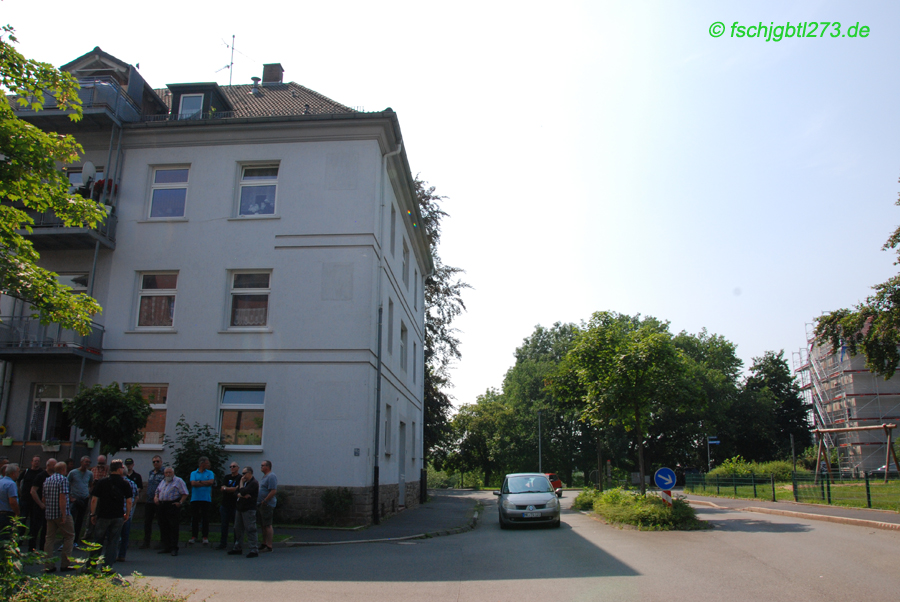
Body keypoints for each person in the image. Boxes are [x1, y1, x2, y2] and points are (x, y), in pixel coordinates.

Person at [89, 459, 132, 566]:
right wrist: (127, 513)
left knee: (98, 541)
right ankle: (107, 567)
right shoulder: (125, 483)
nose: (123, 469)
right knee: (113, 542)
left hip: (103, 515)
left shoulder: (102, 482)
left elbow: (94, 499)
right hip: (117, 516)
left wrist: (93, 514)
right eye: (122, 468)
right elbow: (129, 500)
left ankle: (92, 565)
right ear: (118, 469)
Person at [43, 461, 75, 572]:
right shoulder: (63, 480)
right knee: (69, 536)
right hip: (60, 513)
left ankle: (48, 565)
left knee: (49, 539)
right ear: (63, 470)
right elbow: (62, 498)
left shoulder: (47, 480)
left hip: (49, 513)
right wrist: (64, 514)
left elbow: (44, 498)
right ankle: (65, 563)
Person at [154, 466, 188, 556]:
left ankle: (174, 548)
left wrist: (180, 502)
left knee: (173, 527)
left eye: (170, 472)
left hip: (172, 505)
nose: (168, 474)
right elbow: (157, 491)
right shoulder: (163, 481)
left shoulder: (178, 481)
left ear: (173, 473)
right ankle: (166, 546)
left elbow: (185, 493)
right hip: (162, 505)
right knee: (163, 526)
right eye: (166, 473)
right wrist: (156, 498)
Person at [228, 466, 259, 558]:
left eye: (244, 473)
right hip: (240, 508)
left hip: (248, 509)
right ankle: (237, 547)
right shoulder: (244, 483)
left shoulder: (253, 483)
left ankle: (253, 549)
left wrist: (241, 485)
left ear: (250, 473)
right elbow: (237, 493)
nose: (243, 476)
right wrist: (241, 495)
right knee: (237, 528)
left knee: (250, 529)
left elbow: (243, 491)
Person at [29, 458, 56, 552]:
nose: (55, 467)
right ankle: (31, 548)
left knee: (46, 529)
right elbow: (33, 491)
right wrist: (40, 503)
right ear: (48, 465)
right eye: (53, 465)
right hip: (39, 506)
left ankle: (42, 548)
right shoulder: (41, 476)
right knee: (35, 527)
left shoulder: (55, 477)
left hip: (49, 506)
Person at [188, 456, 215, 545]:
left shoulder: (210, 473)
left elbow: (211, 482)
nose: (208, 465)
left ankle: (205, 536)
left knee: (205, 518)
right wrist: (204, 483)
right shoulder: (193, 473)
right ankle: (194, 536)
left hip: (206, 498)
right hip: (195, 498)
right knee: (195, 518)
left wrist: (199, 482)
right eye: (207, 463)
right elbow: (193, 483)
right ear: (202, 464)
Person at [67, 455, 93, 544]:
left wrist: (89, 494)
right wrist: (70, 497)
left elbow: (91, 484)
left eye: (89, 462)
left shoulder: (90, 474)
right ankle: (68, 539)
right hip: (74, 498)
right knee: (71, 519)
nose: (87, 464)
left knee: (80, 520)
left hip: (84, 498)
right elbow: (67, 484)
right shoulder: (73, 473)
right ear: (81, 462)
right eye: (86, 462)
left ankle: (76, 539)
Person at [141, 455, 165, 549]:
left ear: (161, 462)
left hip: (159, 500)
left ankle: (162, 541)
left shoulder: (163, 473)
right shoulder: (151, 472)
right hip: (149, 500)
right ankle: (146, 541)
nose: (155, 463)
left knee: (161, 521)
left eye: (157, 461)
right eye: (154, 462)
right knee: (147, 522)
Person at [117, 466, 140, 562]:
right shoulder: (132, 483)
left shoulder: (116, 483)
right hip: (127, 513)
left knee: (114, 535)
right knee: (125, 535)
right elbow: (136, 497)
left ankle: (112, 554)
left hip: (116, 513)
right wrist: (129, 509)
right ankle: (122, 555)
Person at [17, 456, 41, 546]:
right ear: (32, 462)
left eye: (38, 461)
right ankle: (19, 540)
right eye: (35, 461)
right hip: (25, 499)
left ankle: (32, 542)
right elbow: (18, 481)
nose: (37, 463)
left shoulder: (41, 473)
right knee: (23, 519)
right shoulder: (26, 472)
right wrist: (20, 492)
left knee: (34, 522)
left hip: (35, 501)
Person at [219, 461, 241, 550]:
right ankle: (223, 543)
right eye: (231, 466)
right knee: (224, 525)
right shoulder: (227, 477)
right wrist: (229, 489)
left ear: (238, 468)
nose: (232, 468)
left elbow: (237, 489)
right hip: (225, 505)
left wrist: (226, 489)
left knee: (236, 525)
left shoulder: (240, 478)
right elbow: (222, 488)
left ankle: (236, 543)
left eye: (234, 466)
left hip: (235, 505)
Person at [258, 459, 277, 553]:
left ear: (267, 466)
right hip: (262, 504)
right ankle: (264, 543)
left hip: (267, 504)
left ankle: (269, 545)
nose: (261, 467)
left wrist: (265, 500)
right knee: (263, 525)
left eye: (262, 465)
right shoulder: (264, 476)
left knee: (268, 524)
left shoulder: (271, 476)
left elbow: (273, 490)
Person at [0, 463, 20, 541]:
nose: (19, 474)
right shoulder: (11, 484)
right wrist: (17, 513)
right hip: (7, 515)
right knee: (6, 537)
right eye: (18, 472)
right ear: (13, 473)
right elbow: (13, 502)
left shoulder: (1, 482)